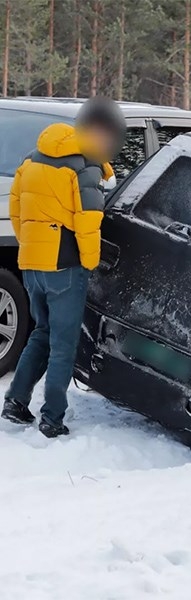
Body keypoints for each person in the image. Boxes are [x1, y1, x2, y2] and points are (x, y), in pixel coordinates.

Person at [1, 97, 125, 438]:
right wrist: (90, 263)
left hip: (32, 262)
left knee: (41, 332)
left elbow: (16, 209)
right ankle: (52, 417)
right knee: (63, 344)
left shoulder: (31, 159)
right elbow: (88, 220)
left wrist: (31, 244)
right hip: (65, 265)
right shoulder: (85, 165)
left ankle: (15, 402)